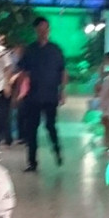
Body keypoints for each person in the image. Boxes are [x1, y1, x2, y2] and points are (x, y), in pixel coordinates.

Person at [19, 17, 66, 171]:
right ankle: (32, 162)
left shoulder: (55, 50)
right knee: (31, 129)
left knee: (50, 126)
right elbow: (24, 72)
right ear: (36, 30)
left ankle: (57, 150)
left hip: (50, 95)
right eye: (41, 29)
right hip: (33, 96)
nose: (44, 32)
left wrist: (62, 91)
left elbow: (63, 71)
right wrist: (18, 93)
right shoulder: (30, 50)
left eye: (46, 29)